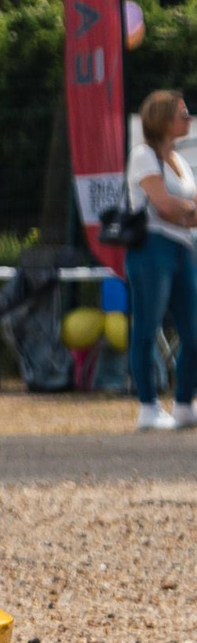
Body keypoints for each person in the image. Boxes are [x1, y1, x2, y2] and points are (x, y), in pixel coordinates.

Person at [125, 88, 197, 429]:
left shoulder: (180, 162)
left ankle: (183, 404)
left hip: (182, 248)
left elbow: (181, 209)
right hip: (151, 248)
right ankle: (148, 406)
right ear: (163, 120)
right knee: (147, 326)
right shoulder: (143, 155)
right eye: (182, 114)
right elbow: (164, 206)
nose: (189, 118)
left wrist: (183, 211)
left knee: (193, 330)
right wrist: (185, 210)